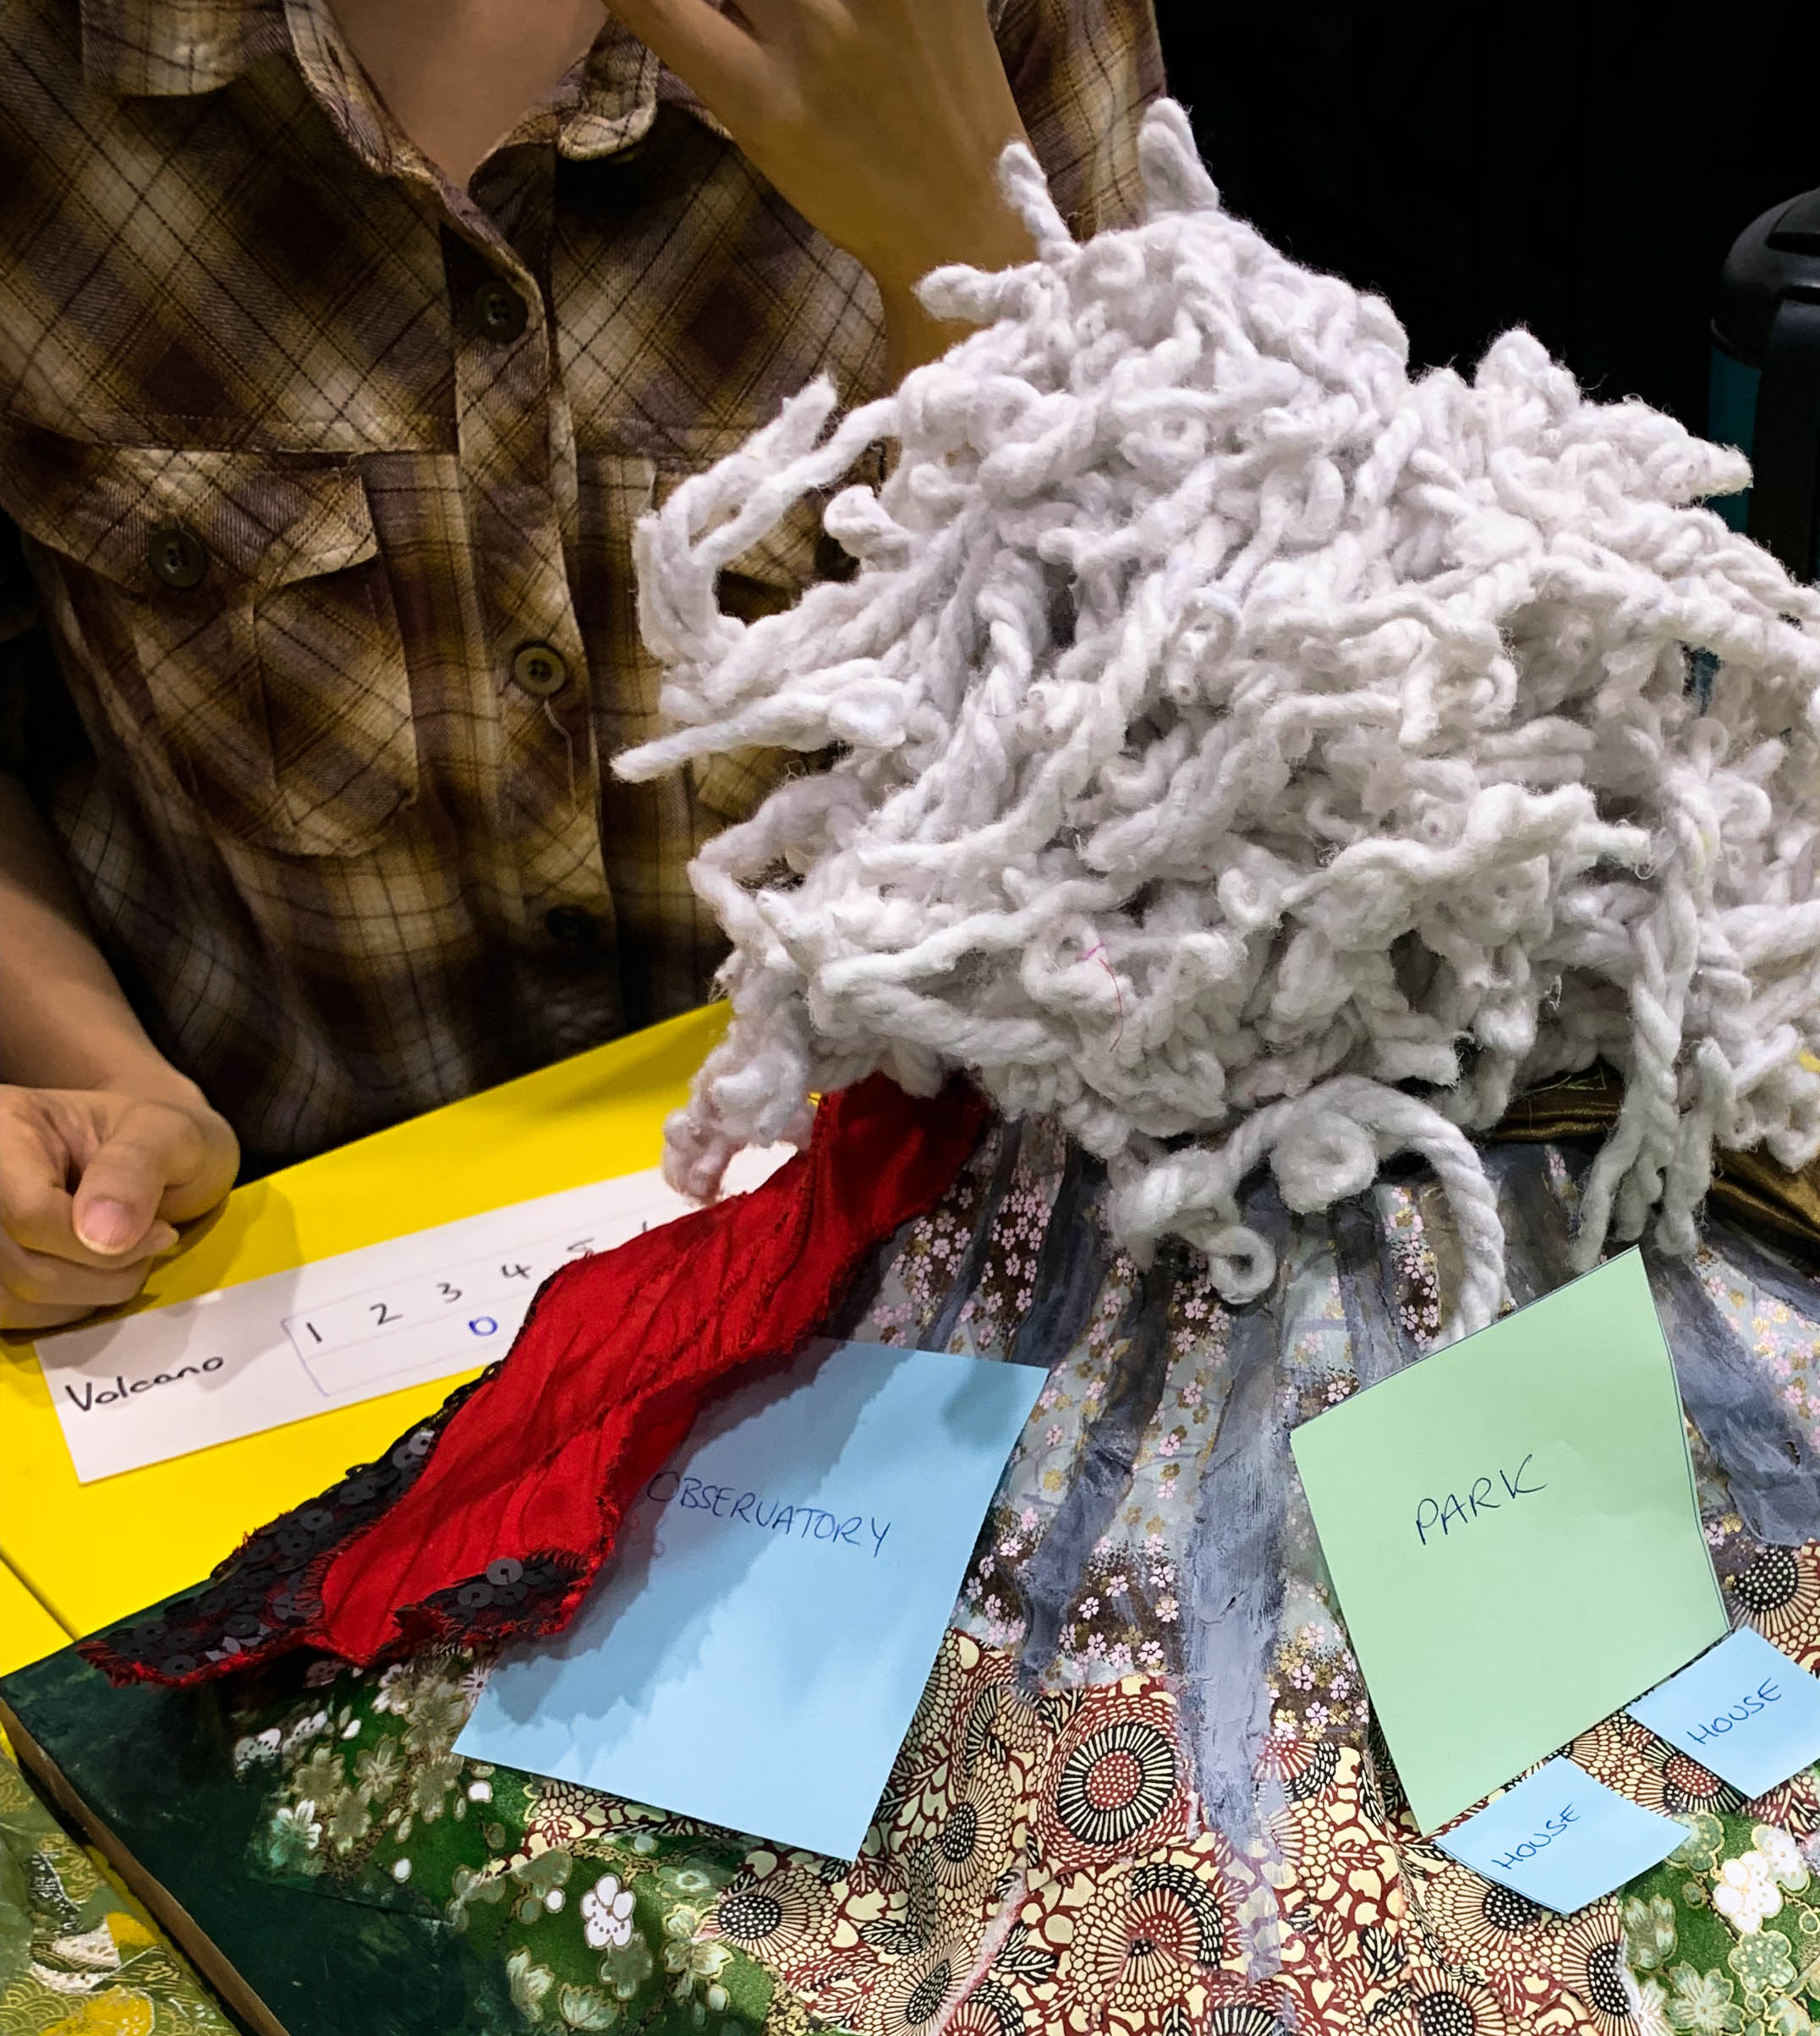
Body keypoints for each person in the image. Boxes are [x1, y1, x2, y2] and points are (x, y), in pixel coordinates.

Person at [0, 0, 1162, 1328]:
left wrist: (966, 257)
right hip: (254, 1281)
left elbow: (1178, 758)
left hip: (926, 1257)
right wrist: (98, 1088)